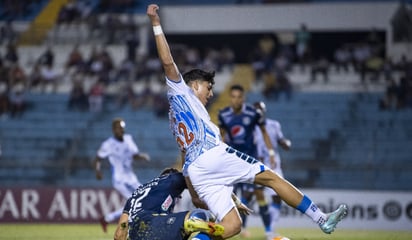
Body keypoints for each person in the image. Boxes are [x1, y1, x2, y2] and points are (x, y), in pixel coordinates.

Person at [147, 4, 348, 239]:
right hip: (211, 155)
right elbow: (169, 63)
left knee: (232, 226)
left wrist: (193, 191)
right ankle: (322, 219)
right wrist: (155, 24)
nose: (211, 94)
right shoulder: (182, 92)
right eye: (208, 88)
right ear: (194, 85)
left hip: (197, 171)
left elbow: (184, 155)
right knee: (272, 178)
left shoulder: (176, 117)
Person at [217, 84, 274, 239]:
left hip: (250, 161)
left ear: (243, 98)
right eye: (233, 97)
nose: (236, 100)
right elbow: (221, 136)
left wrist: (271, 153)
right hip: (232, 161)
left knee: (257, 195)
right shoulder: (223, 114)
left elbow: (263, 132)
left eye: (239, 97)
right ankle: (233, 228)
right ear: (230, 98)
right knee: (230, 196)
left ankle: (269, 232)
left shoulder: (253, 112)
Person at [113, 167, 226, 240]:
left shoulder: (135, 195)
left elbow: (120, 232)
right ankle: (192, 221)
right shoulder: (172, 178)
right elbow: (197, 180)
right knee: (203, 214)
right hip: (152, 223)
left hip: (135, 233)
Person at [94, 118, 151, 233]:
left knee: (146, 197)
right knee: (134, 202)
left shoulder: (128, 139)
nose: (121, 130)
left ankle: (107, 218)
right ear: (113, 129)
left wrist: (141, 156)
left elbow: (134, 155)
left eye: (122, 128)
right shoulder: (108, 144)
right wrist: (98, 171)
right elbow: (98, 158)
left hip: (131, 177)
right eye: (119, 128)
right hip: (119, 180)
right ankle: (135, 226)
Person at [254, 101, 291, 238]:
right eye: (256, 110)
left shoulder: (274, 125)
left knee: (277, 197)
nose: (258, 112)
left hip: (274, 164)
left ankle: (269, 229)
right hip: (256, 164)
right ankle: (244, 227)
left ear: (264, 111)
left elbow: (280, 140)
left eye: (260, 109)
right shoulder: (251, 127)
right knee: (252, 195)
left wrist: (285, 143)